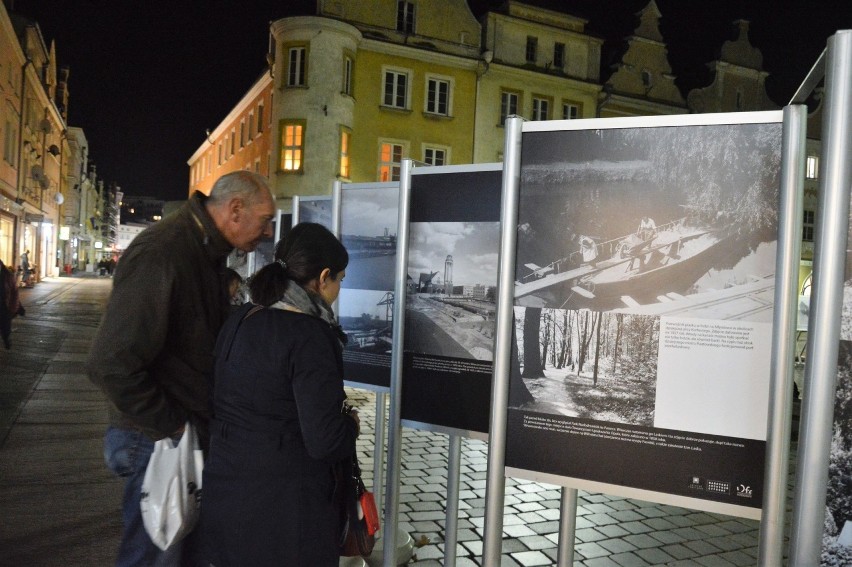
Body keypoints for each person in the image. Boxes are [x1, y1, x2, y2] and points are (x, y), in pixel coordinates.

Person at [87, 171, 276, 567]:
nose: (268, 231)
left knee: (174, 554)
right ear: (235, 209)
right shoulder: (167, 250)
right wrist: (173, 425)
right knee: (155, 558)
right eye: (265, 221)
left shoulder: (202, 250)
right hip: (155, 438)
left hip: (173, 434)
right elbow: (111, 362)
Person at [202, 222, 359, 567]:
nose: (337, 290)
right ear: (323, 277)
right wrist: (351, 424)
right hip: (286, 514)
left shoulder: (242, 316)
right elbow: (325, 441)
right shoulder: (311, 336)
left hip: (227, 497)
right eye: (340, 280)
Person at [1, 259, 23, 349]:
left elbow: (15, 293)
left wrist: (13, 308)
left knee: (5, 327)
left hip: (4, 306)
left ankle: (6, 339)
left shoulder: (8, 276)